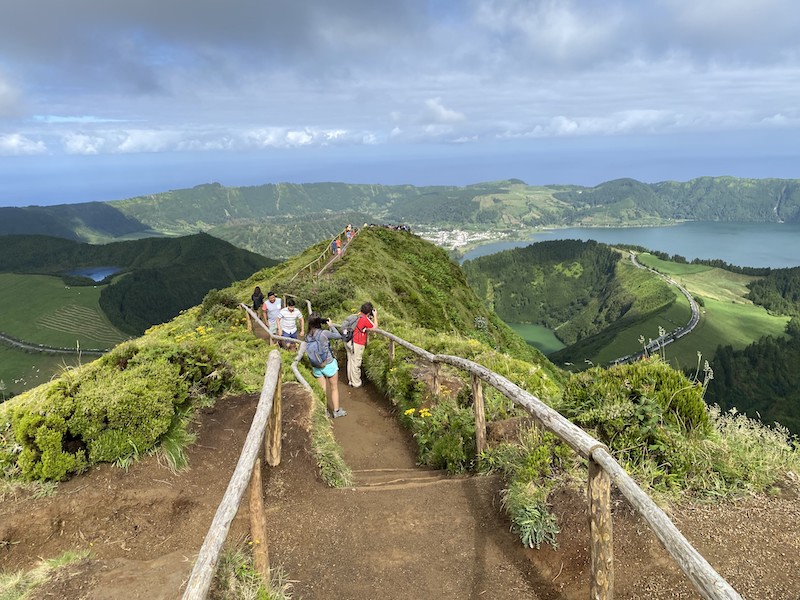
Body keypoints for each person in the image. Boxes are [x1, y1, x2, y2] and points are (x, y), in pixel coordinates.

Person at [305, 314, 346, 418]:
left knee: (322, 390)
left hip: (316, 366)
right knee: (334, 388)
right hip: (328, 364)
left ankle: (324, 412)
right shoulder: (324, 333)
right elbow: (338, 336)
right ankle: (336, 411)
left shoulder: (307, 335)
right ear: (320, 322)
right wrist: (331, 326)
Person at [346, 302, 377, 388]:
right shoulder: (364, 319)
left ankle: (350, 381)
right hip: (357, 343)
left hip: (348, 341)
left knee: (350, 361)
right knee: (356, 363)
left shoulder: (356, 316)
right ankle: (356, 383)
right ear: (369, 312)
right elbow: (374, 328)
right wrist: (375, 316)